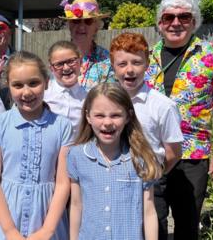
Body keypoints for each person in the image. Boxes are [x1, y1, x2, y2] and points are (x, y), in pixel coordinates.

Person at [145, 0, 213, 239]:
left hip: (192, 153)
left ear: (194, 22)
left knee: (187, 223)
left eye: (184, 17)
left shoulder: (211, 55)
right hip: (152, 153)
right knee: (153, 221)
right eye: (168, 17)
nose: (176, 23)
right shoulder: (146, 57)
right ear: (160, 23)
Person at [0, 51, 72, 239]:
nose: (26, 92)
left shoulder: (62, 126)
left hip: (47, 217)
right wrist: (9, 230)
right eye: (18, 85)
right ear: (8, 86)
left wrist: (47, 230)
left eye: (34, 83)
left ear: (46, 82)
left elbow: (63, 182)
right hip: (5, 217)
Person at [67, 83, 162, 240]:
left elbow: (149, 210)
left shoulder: (141, 157)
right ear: (88, 116)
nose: (107, 122)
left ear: (128, 116)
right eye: (100, 115)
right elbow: (76, 205)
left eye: (115, 115)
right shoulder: (77, 155)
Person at [110, 32, 183, 173]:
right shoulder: (107, 101)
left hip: (150, 179)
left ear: (147, 64)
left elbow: (174, 152)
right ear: (113, 66)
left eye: (136, 62)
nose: (129, 70)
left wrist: (155, 176)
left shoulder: (163, 106)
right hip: (113, 179)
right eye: (122, 64)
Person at [60, 0, 115, 91]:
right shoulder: (59, 57)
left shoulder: (107, 60)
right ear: (69, 25)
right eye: (76, 21)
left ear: (97, 27)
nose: (81, 26)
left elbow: (110, 98)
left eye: (88, 21)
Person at [44, 40, 87, 137]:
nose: (66, 68)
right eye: (59, 64)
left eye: (71, 61)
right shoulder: (43, 94)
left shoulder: (88, 98)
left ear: (80, 62)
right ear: (51, 68)